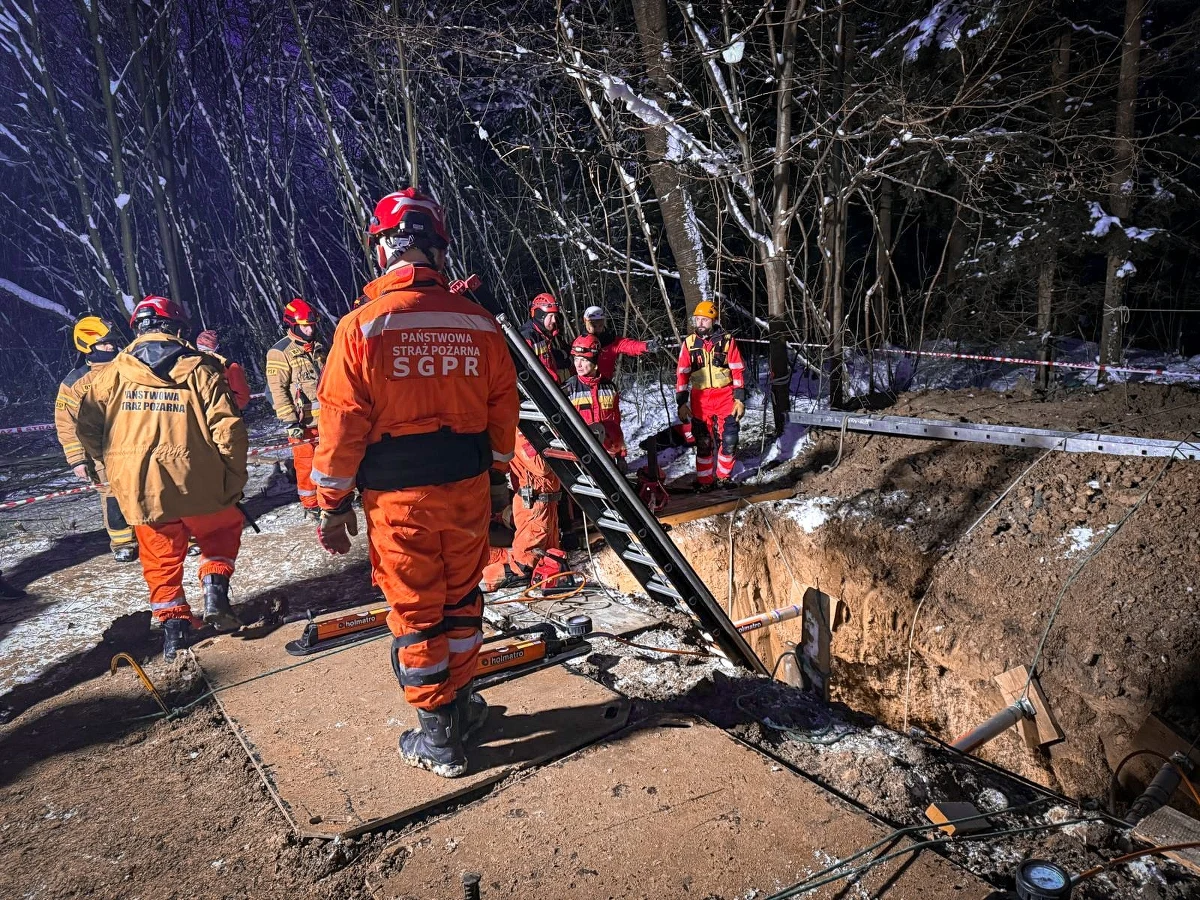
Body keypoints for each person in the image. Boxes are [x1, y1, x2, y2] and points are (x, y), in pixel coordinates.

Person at [312, 188, 519, 779]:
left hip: (399, 498)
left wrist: (332, 503)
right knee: (461, 601)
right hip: (468, 488)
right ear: (437, 249)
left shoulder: (361, 327)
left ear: (384, 250)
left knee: (416, 612)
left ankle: (438, 737)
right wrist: (499, 476)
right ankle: (460, 706)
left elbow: (342, 422)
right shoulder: (478, 323)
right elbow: (503, 411)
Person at [76, 295, 249, 662]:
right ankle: (214, 586)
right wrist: (233, 478)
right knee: (220, 530)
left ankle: (174, 631)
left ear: (137, 329)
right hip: (198, 477)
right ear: (177, 328)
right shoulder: (201, 369)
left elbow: (87, 428)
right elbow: (228, 429)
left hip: (140, 486)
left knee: (159, 556)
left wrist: (111, 463)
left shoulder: (109, 376)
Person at [54, 316, 139, 562]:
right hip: (101, 453)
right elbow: (66, 423)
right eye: (104, 344)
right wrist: (76, 459)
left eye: (112, 343)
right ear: (87, 346)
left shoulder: (130, 368)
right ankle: (123, 542)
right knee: (112, 495)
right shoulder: (74, 383)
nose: (111, 347)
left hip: (137, 444)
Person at [675, 301, 746, 491]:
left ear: (713, 320)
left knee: (730, 439)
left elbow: (737, 370)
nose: (700, 323)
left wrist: (739, 398)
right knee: (703, 442)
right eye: (697, 319)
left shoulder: (727, 340)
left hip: (725, 395)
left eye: (704, 319)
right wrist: (681, 402)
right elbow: (682, 374)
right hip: (700, 398)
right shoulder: (689, 344)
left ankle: (724, 477)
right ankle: (705, 481)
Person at [266, 298, 326, 520]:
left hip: (325, 420)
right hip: (302, 423)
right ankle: (311, 503)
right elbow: (277, 391)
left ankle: (329, 499)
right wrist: (290, 423)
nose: (310, 329)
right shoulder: (279, 352)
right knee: (305, 464)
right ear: (293, 325)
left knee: (327, 461)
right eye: (305, 325)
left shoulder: (318, 349)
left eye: (312, 324)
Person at [479, 432, 561, 593]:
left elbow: (541, 468)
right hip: (527, 494)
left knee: (537, 495)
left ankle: (526, 565)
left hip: (533, 494)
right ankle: (533, 562)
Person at [563, 334, 626, 463]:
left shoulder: (609, 387)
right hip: (581, 456)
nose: (578, 365)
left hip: (607, 454)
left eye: (584, 360)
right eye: (576, 359)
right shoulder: (568, 389)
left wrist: (621, 454)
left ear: (595, 362)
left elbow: (616, 423)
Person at [581, 306, 659, 380]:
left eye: (600, 325)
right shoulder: (578, 343)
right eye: (593, 325)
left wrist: (647, 346)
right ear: (585, 321)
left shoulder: (611, 341)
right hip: (582, 388)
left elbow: (629, 345)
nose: (597, 328)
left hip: (604, 387)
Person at [519, 293, 570, 384]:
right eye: (550, 316)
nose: (554, 320)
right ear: (540, 316)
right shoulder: (527, 338)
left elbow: (549, 360)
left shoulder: (543, 336)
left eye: (555, 316)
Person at [195, 330, 251, 411]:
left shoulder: (230, 366)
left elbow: (242, 397)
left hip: (222, 415)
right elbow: (243, 397)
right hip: (210, 416)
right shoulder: (230, 366)